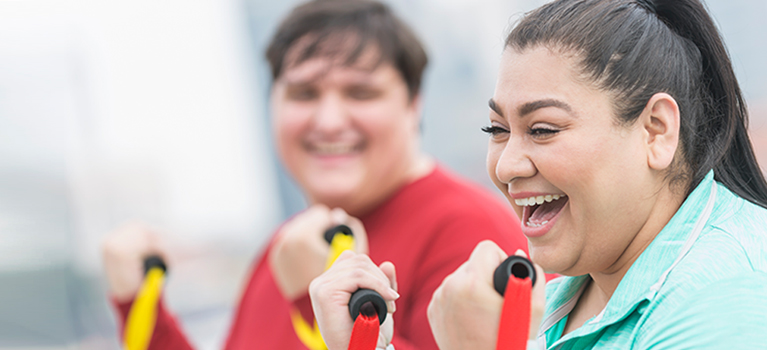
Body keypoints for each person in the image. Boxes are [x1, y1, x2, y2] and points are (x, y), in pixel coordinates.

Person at [309, 0, 767, 349]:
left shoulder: (726, 299)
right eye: (498, 130)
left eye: (543, 129)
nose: (506, 166)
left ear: (656, 131)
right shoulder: (572, 287)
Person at [101, 0, 527, 349]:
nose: (328, 120)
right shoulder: (288, 244)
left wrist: (315, 301)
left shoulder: (470, 233)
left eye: (360, 92)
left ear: (414, 104)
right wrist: (141, 307)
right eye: (304, 93)